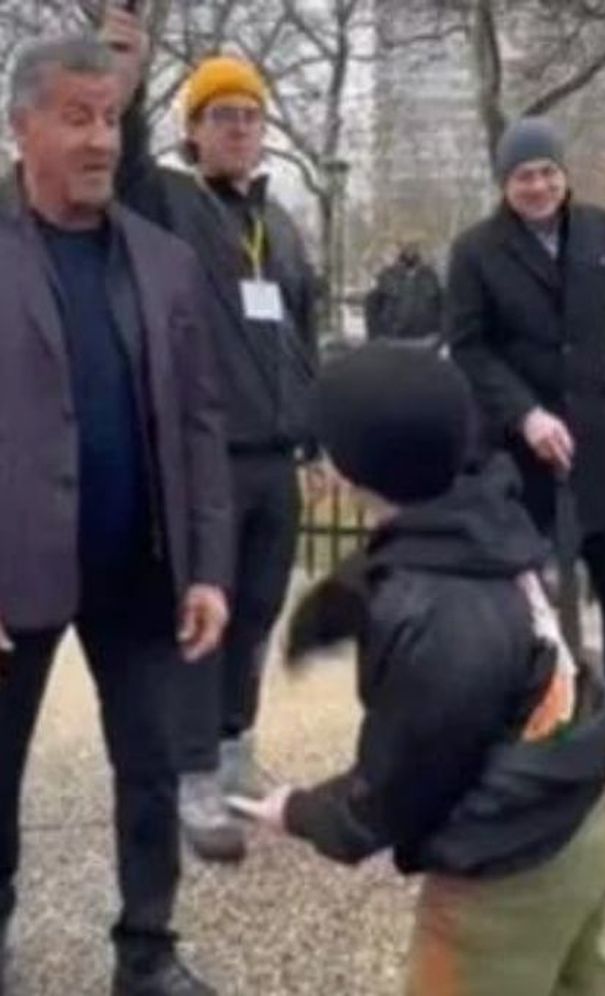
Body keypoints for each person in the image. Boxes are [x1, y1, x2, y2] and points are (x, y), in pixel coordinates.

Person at [231, 345, 605, 996]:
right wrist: (342, 606)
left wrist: (303, 812)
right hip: (579, 813)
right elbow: (414, 559)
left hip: (511, 865)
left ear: (349, 465)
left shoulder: (437, 616)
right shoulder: (488, 518)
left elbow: (406, 783)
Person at [0, 34, 233, 996]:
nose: (100, 139)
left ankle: (147, 949)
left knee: (148, 774)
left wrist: (210, 567)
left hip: (142, 567)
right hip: (13, 574)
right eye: (77, 117)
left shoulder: (166, 261)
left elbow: (200, 422)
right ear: (22, 129)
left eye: (111, 117)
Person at [103, 10, 325, 864]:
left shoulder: (283, 226)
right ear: (192, 133)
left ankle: (234, 744)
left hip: (277, 459)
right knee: (206, 613)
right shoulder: (166, 204)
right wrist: (128, 66)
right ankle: (194, 771)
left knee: (261, 610)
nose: (240, 128)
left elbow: (301, 340)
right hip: (205, 459)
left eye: (251, 116)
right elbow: (122, 159)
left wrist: (319, 438)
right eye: (221, 116)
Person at [446, 117, 605, 774]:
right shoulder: (476, 251)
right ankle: (533, 713)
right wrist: (524, 415)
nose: (539, 186)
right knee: (525, 589)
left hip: (597, 439)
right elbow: (468, 346)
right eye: (524, 176)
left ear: (563, 173)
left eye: (548, 172)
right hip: (520, 448)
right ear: (504, 184)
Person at [364, 239, 444, 346]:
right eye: (406, 247)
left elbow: (444, 307)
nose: (410, 251)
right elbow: (371, 307)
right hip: (394, 341)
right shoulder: (388, 276)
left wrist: (440, 337)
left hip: (426, 342)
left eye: (413, 247)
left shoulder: (430, 277)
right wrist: (376, 338)